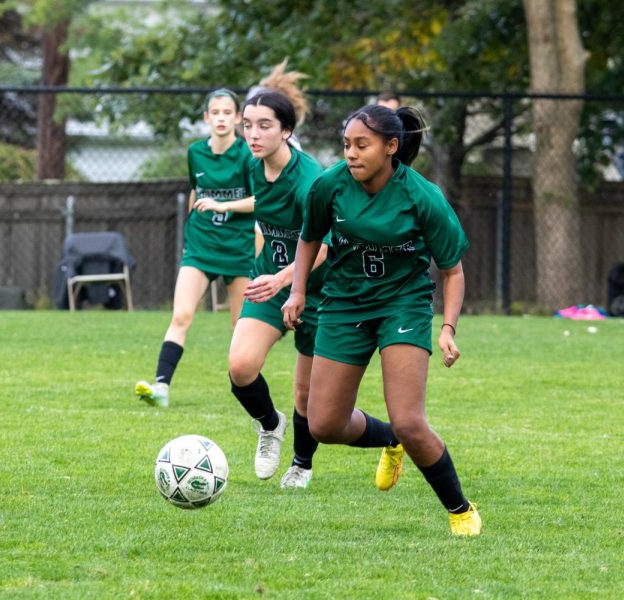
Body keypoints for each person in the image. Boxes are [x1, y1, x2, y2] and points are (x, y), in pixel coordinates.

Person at [282, 104, 482, 536]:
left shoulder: (422, 196)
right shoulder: (328, 186)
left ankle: (461, 510)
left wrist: (448, 328)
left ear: (391, 147)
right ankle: (392, 439)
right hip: (344, 304)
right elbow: (309, 238)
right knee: (325, 425)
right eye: (346, 145)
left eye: (361, 145)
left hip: (402, 306)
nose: (350, 154)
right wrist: (297, 291)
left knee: (413, 419)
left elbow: (452, 271)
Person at [227, 88, 331, 489]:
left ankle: (301, 465)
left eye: (264, 126)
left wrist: (290, 282)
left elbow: (323, 244)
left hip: (316, 290)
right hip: (269, 281)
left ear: (286, 131)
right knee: (240, 367)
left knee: (306, 395)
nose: (253, 134)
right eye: (248, 125)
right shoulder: (254, 166)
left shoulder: (310, 183)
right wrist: (273, 276)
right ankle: (270, 426)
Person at [136, 88, 256, 408]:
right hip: (201, 246)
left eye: (227, 113)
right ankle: (161, 386)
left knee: (241, 328)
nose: (221, 118)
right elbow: (195, 190)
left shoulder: (248, 155)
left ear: (238, 118)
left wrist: (221, 204)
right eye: (214, 113)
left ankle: (246, 394)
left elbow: (260, 200)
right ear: (206, 118)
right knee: (182, 315)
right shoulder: (195, 153)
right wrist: (196, 215)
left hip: (238, 249)